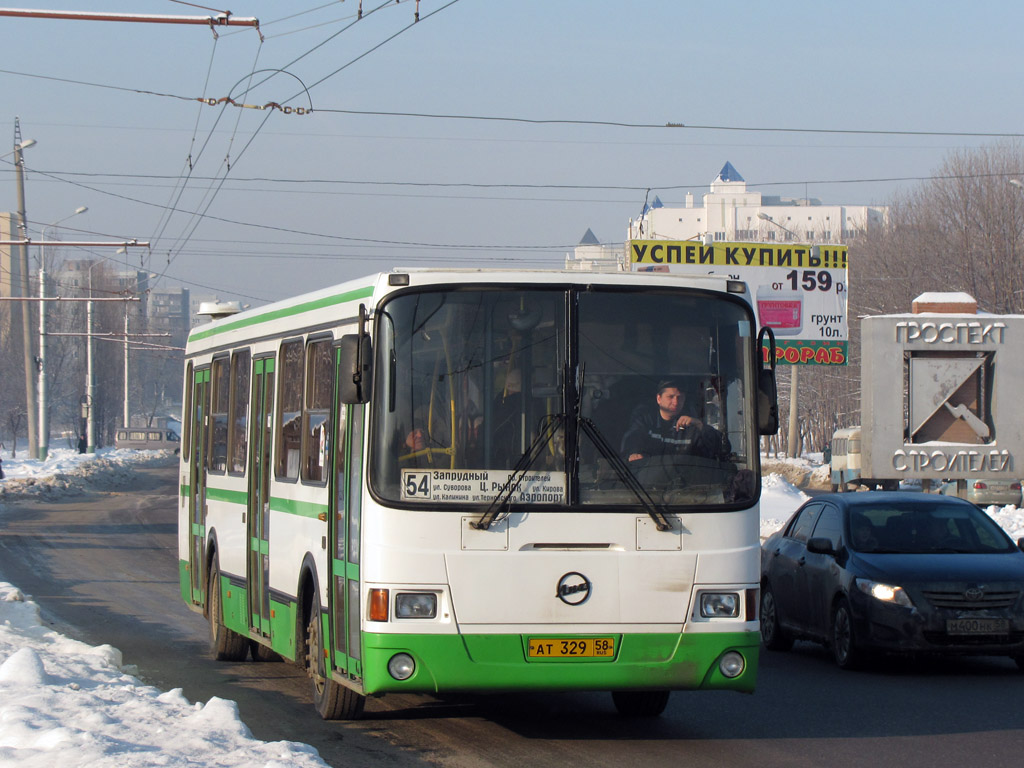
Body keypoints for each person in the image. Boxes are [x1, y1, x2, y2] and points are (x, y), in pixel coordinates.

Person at [620, 380, 730, 462]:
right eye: (670, 397)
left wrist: (700, 425)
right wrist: (633, 453)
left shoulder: (692, 426)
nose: (676, 402)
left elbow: (723, 448)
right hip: (648, 485)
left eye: (680, 397)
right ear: (659, 399)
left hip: (687, 487)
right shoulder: (645, 420)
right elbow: (632, 438)